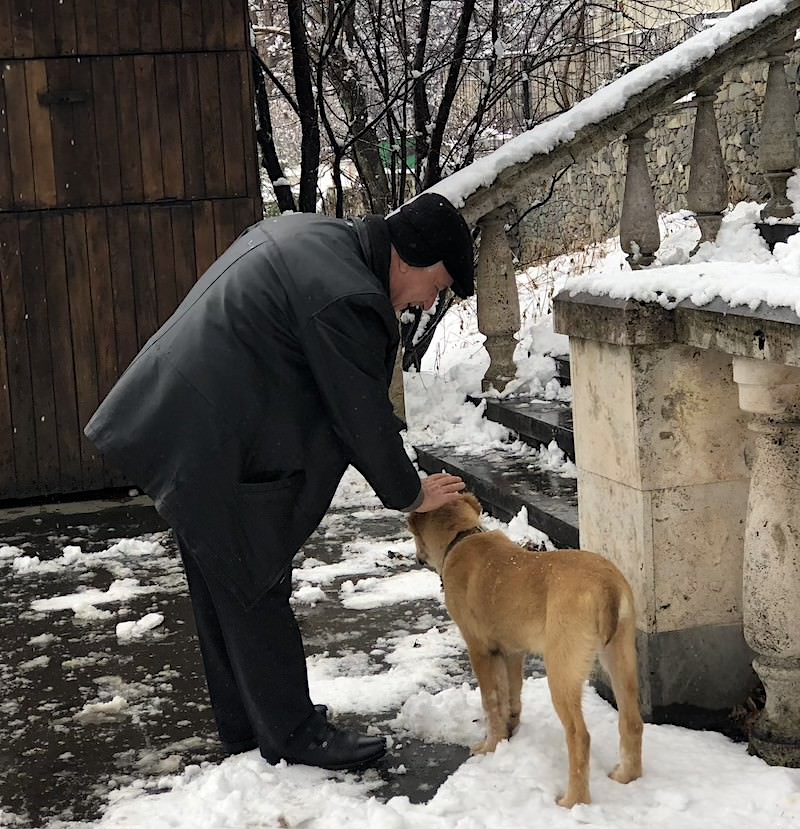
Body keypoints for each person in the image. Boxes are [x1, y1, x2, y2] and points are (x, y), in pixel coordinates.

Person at [84, 192, 475, 772]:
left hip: (183, 410)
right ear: (409, 258)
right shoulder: (347, 295)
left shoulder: (317, 236)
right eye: (436, 286)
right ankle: (295, 734)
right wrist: (411, 493)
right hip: (211, 427)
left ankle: (247, 725)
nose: (426, 302)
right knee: (252, 572)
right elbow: (358, 415)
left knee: (220, 570)